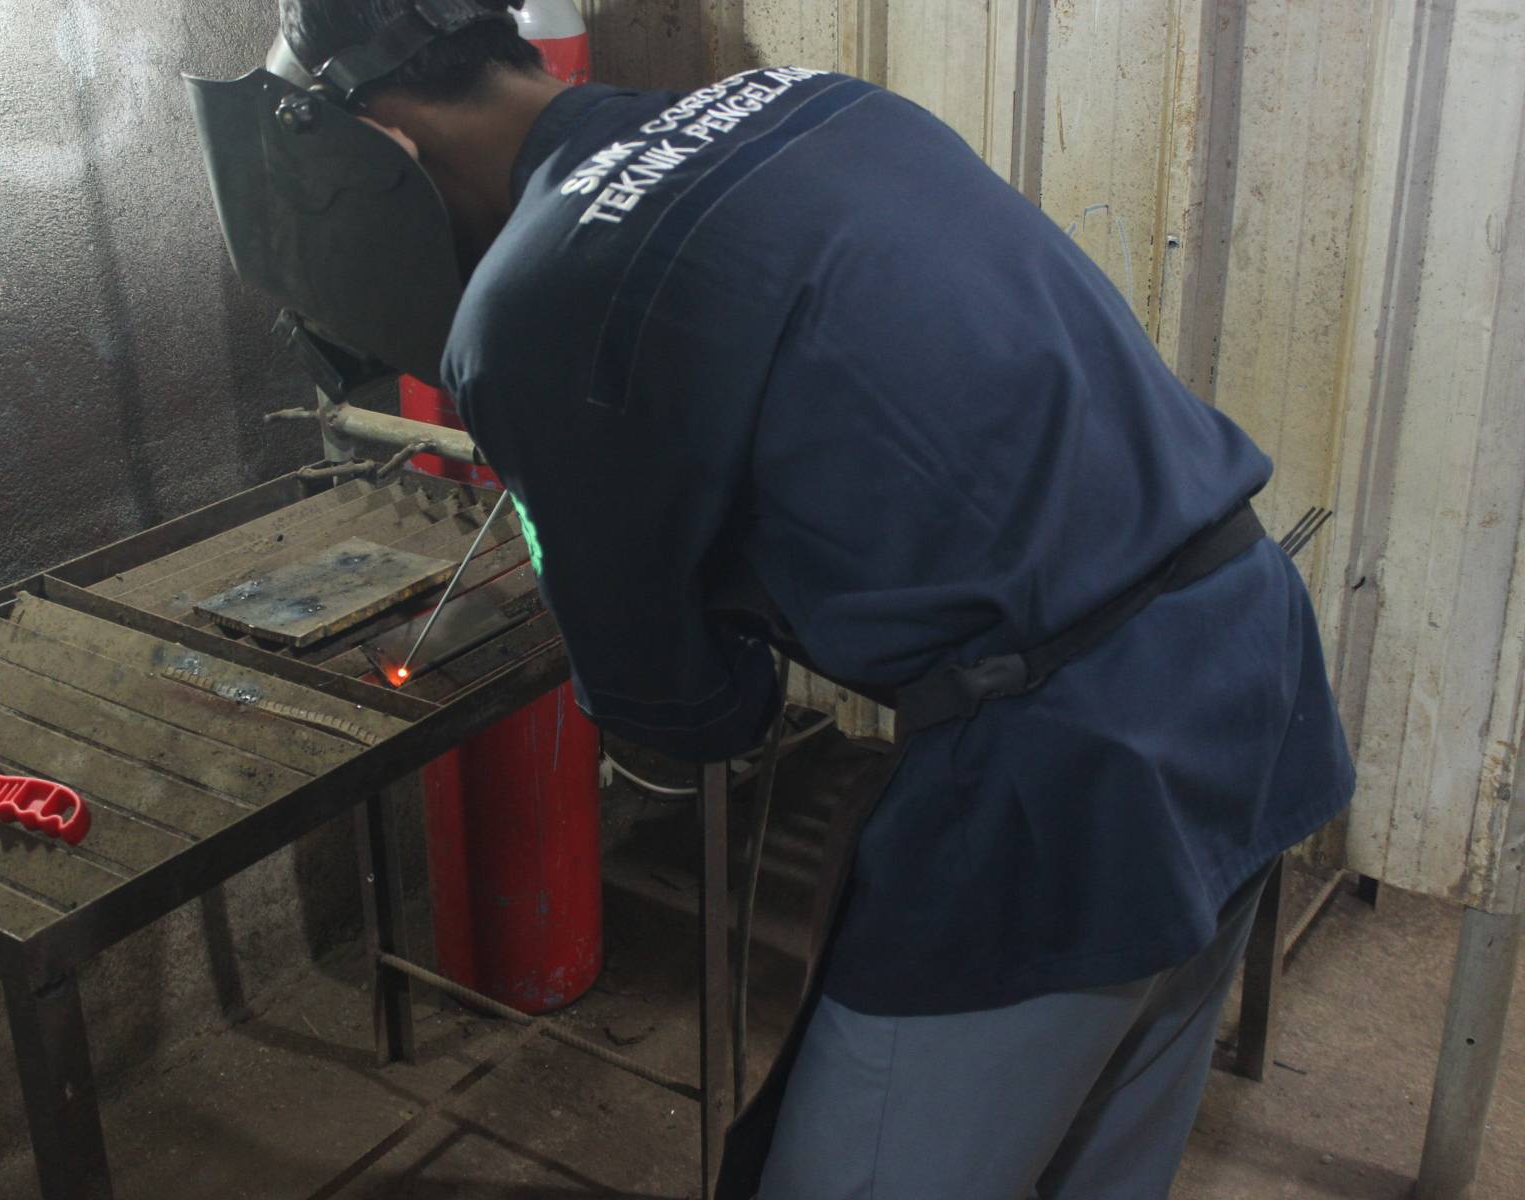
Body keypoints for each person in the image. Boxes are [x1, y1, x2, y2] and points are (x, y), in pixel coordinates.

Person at [207, 2, 1358, 1195]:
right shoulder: (817, 99)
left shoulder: (527, 302)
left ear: (383, 143)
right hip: (1251, 654)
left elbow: (687, 719)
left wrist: (698, 584)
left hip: (1066, 782)